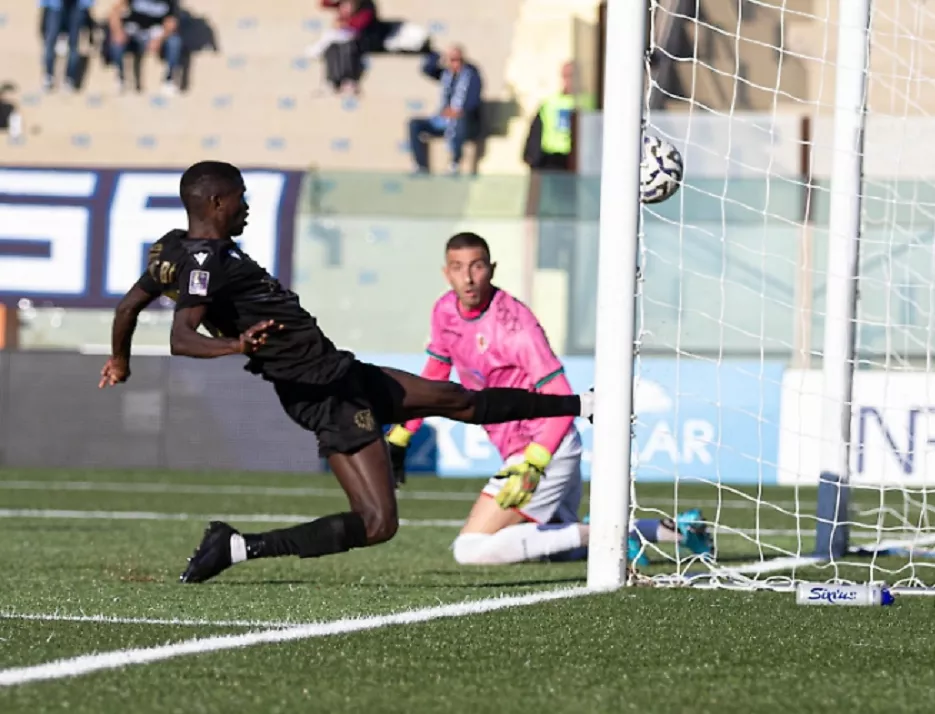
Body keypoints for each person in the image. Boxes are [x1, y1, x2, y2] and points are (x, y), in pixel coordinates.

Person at [98, 160, 595, 584]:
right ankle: (238, 547)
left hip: (341, 371)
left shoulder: (174, 249)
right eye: (240, 198)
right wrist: (236, 343)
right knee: (379, 524)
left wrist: (120, 359)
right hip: (322, 394)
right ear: (216, 202)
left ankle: (582, 405)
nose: (247, 206)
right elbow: (181, 338)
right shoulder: (206, 263)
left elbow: (128, 308)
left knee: (458, 399)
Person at [385, 233, 713, 566]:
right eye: (458, 268)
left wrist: (535, 462)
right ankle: (677, 530)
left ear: (492, 269)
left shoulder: (515, 324)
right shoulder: (444, 311)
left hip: (543, 449)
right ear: (446, 273)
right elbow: (434, 377)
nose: (468, 278)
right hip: (529, 452)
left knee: (471, 549)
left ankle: (610, 532)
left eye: (477, 266)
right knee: (555, 546)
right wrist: (400, 436)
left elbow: (560, 397)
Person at [407, 45, 482, 176]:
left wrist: (457, 111)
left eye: (458, 60)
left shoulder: (471, 76)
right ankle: (421, 165)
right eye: (451, 60)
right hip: (443, 119)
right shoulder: (446, 75)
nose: (455, 63)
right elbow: (427, 69)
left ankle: (455, 162)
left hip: (465, 121)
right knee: (415, 124)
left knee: (459, 121)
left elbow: (474, 100)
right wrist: (436, 55)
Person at [107, 0, 183, 95]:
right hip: (134, 31)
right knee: (116, 43)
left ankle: (169, 79)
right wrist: (118, 31)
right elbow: (114, 12)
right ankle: (121, 77)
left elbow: (172, 23)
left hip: (156, 32)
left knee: (175, 41)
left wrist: (159, 39)